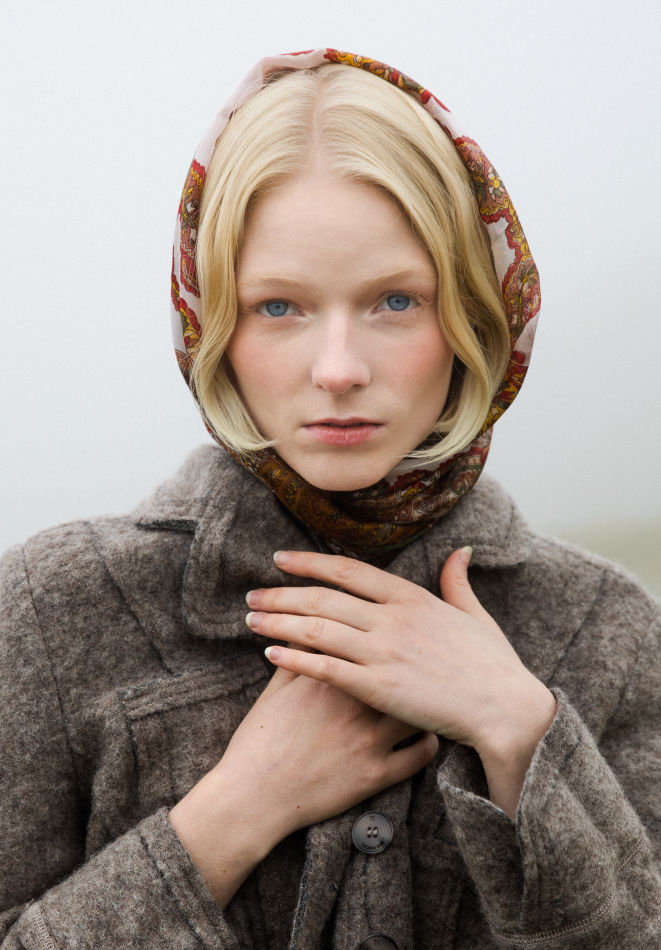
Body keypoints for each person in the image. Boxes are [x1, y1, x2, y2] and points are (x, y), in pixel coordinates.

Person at [0, 48, 658, 950]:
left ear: (476, 314)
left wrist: (517, 731)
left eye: (395, 301)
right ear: (210, 322)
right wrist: (237, 810)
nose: (339, 369)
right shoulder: (51, 608)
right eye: (279, 307)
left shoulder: (606, 625)